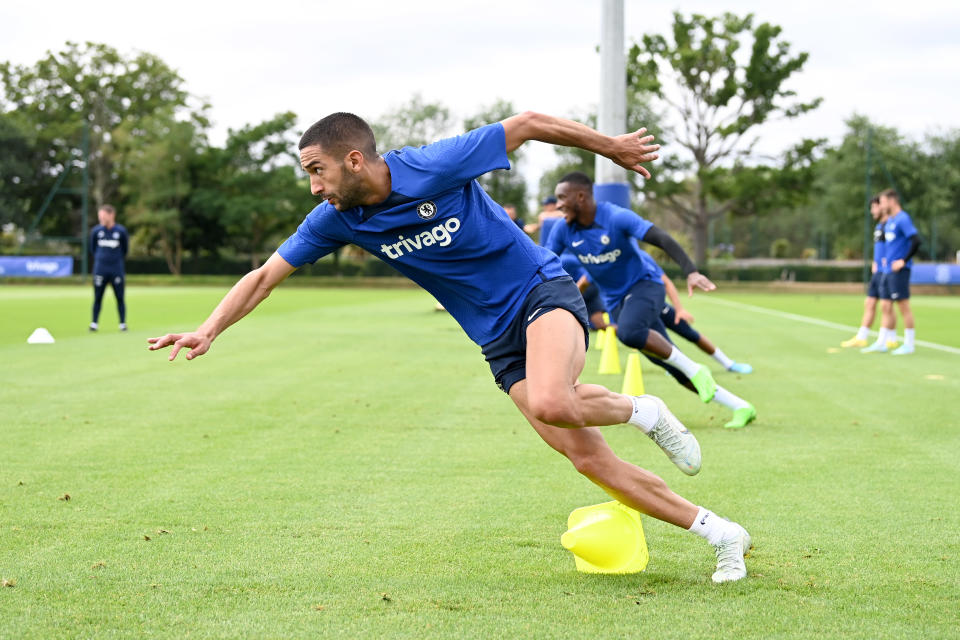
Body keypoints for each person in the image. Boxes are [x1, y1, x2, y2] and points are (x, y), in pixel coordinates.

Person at [148, 111, 751, 583]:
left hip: (542, 291)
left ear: (354, 160)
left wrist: (610, 147)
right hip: (495, 341)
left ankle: (645, 410)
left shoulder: (433, 165)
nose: (313, 187)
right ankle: (722, 533)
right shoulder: (338, 218)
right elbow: (262, 276)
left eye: (316, 170)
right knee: (591, 462)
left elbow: (529, 124)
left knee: (552, 400)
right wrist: (208, 328)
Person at [545, 172, 756, 429]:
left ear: (581, 196)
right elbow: (546, 263)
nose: (558, 205)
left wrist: (690, 270)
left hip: (646, 286)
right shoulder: (563, 230)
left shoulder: (616, 217)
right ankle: (741, 406)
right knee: (670, 365)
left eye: (562, 198)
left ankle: (696, 368)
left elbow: (662, 238)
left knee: (630, 333)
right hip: (616, 302)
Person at [563, 251, 754, 376]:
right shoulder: (602, 262)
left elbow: (666, 282)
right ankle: (679, 368)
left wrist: (679, 309)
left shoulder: (640, 257)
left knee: (691, 334)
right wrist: (568, 303)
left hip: (656, 304)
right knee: (659, 342)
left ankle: (728, 363)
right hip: (635, 310)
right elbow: (584, 283)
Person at [868, 189, 920, 355]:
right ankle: (882, 341)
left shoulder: (903, 219)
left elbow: (916, 240)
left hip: (900, 271)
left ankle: (909, 344)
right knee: (885, 305)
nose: (881, 206)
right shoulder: (890, 221)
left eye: (883, 202)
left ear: (892, 201)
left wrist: (903, 260)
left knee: (903, 306)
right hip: (888, 270)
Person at [841, 196, 890, 348]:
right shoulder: (879, 227)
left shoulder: (891, 224)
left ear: (882, 206)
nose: (872, 211)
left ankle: (890, 339)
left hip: (887, 271)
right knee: (869, 302)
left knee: (886, 305)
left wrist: (887, 260)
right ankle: (862, 337)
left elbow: (896, 246)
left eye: (874, 207)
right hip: (877, 271)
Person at [88, 204, 129, 332]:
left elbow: (125, 250)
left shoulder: (121, 231)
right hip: (100, 269)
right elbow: (92, 249)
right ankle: (94, 323)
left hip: (116, 269)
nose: (101, 219)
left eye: (103, 216)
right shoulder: (96, 231)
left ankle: (122, 323)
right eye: (100, 216)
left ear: (111, 215)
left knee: (120, 297)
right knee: (97, 297)